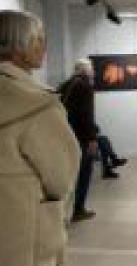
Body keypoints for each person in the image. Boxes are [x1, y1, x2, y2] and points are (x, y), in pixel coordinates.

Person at [0, 10, 81, 266]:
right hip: (22, 234)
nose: (44, 46)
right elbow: (61, 177)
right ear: (18, 46)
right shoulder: (36, 104)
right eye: (38, 39)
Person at [58, 59, 98, 222]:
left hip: (64, 134)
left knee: (66, 175)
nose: (93, 71)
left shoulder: (65, 84)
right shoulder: (85, 86)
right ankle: (79, 209)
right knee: (84, 173)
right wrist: (92, 138)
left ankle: (58, 212)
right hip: (80, 137)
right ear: (86, 70)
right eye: (92, 69)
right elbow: (86, 115)